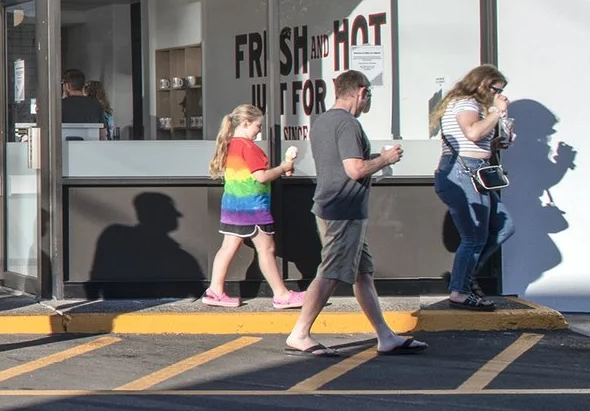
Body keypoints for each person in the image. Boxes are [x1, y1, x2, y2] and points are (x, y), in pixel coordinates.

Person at [286, 70, 424, 358]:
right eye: (369, 95)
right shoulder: (347, 124)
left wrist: (374, 161)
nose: (368, 101)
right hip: (343, 209)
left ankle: (385, 336)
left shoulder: (323, 121)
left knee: (363, 274)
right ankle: (299, 333)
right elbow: (354, 169)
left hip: (335, 205)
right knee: (331, 272)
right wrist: (385, 159)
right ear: (361, 92)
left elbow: (343, 165)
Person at [199, 104, 303, 309]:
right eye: (258, 126)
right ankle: (281, 294)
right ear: (246, 123)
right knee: (267, 248)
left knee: (228, 247)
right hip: (253, 209)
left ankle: (215, 290)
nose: (260, 131)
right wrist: (283, 168)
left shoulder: (230, 145)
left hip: (232, 207)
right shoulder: (249, 148)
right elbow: (261, 176)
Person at [431, 64, 514, 310]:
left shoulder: (473, 105)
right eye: (495, 89)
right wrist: (497, 113)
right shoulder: (466, 103)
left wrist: (496, 142)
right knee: (474, 237)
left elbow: (478, 139)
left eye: (501, 91)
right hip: (461, 172)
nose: (499, 95)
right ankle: (460, 290)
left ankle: (463, 278)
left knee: (504, 226)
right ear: (481, 84)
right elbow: (473, 132)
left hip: (474, 171)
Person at [57, 69, 106, 138]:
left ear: (67, 86)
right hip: (90, 147)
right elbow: (103, 134)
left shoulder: (59, 105)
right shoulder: (95, 104)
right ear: (83, 86)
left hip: (65, 147)